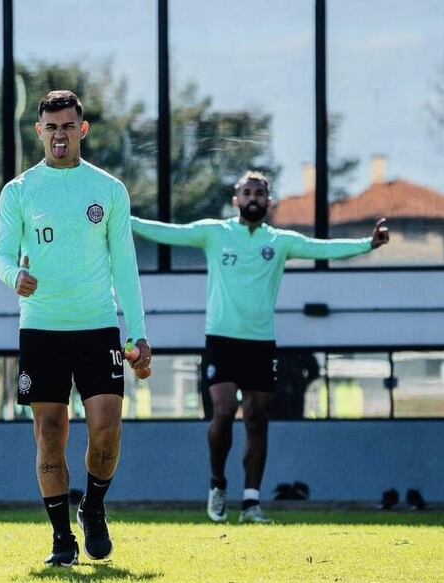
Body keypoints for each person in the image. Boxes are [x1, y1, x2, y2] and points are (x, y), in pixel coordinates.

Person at [131, 171, 389, 524]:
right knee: (223, 411)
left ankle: (251, 502)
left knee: (256, 418)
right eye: (247, 192)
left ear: (269, 202)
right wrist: (122, 218)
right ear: (235, 198)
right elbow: (168, 232)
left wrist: (368, 244)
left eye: (260, 193)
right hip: (221, 340)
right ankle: (218, 484)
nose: (253, 198)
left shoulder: (280, 241)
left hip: (260, 343)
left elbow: (322, 248)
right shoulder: (214, 233)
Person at [0, 90, 151, 566]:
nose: (58, 135)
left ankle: (94, 507)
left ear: (81, 130)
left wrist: (137, 334)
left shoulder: (108, 190)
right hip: (41, 328)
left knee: (107, 428)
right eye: (50, 127)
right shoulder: (19, 191)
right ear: (39, 131)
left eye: (67, 127)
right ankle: (62, 539)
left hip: (98, 327)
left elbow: (125, 266)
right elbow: (1, 255)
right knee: (50, 432)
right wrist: (13, 276)